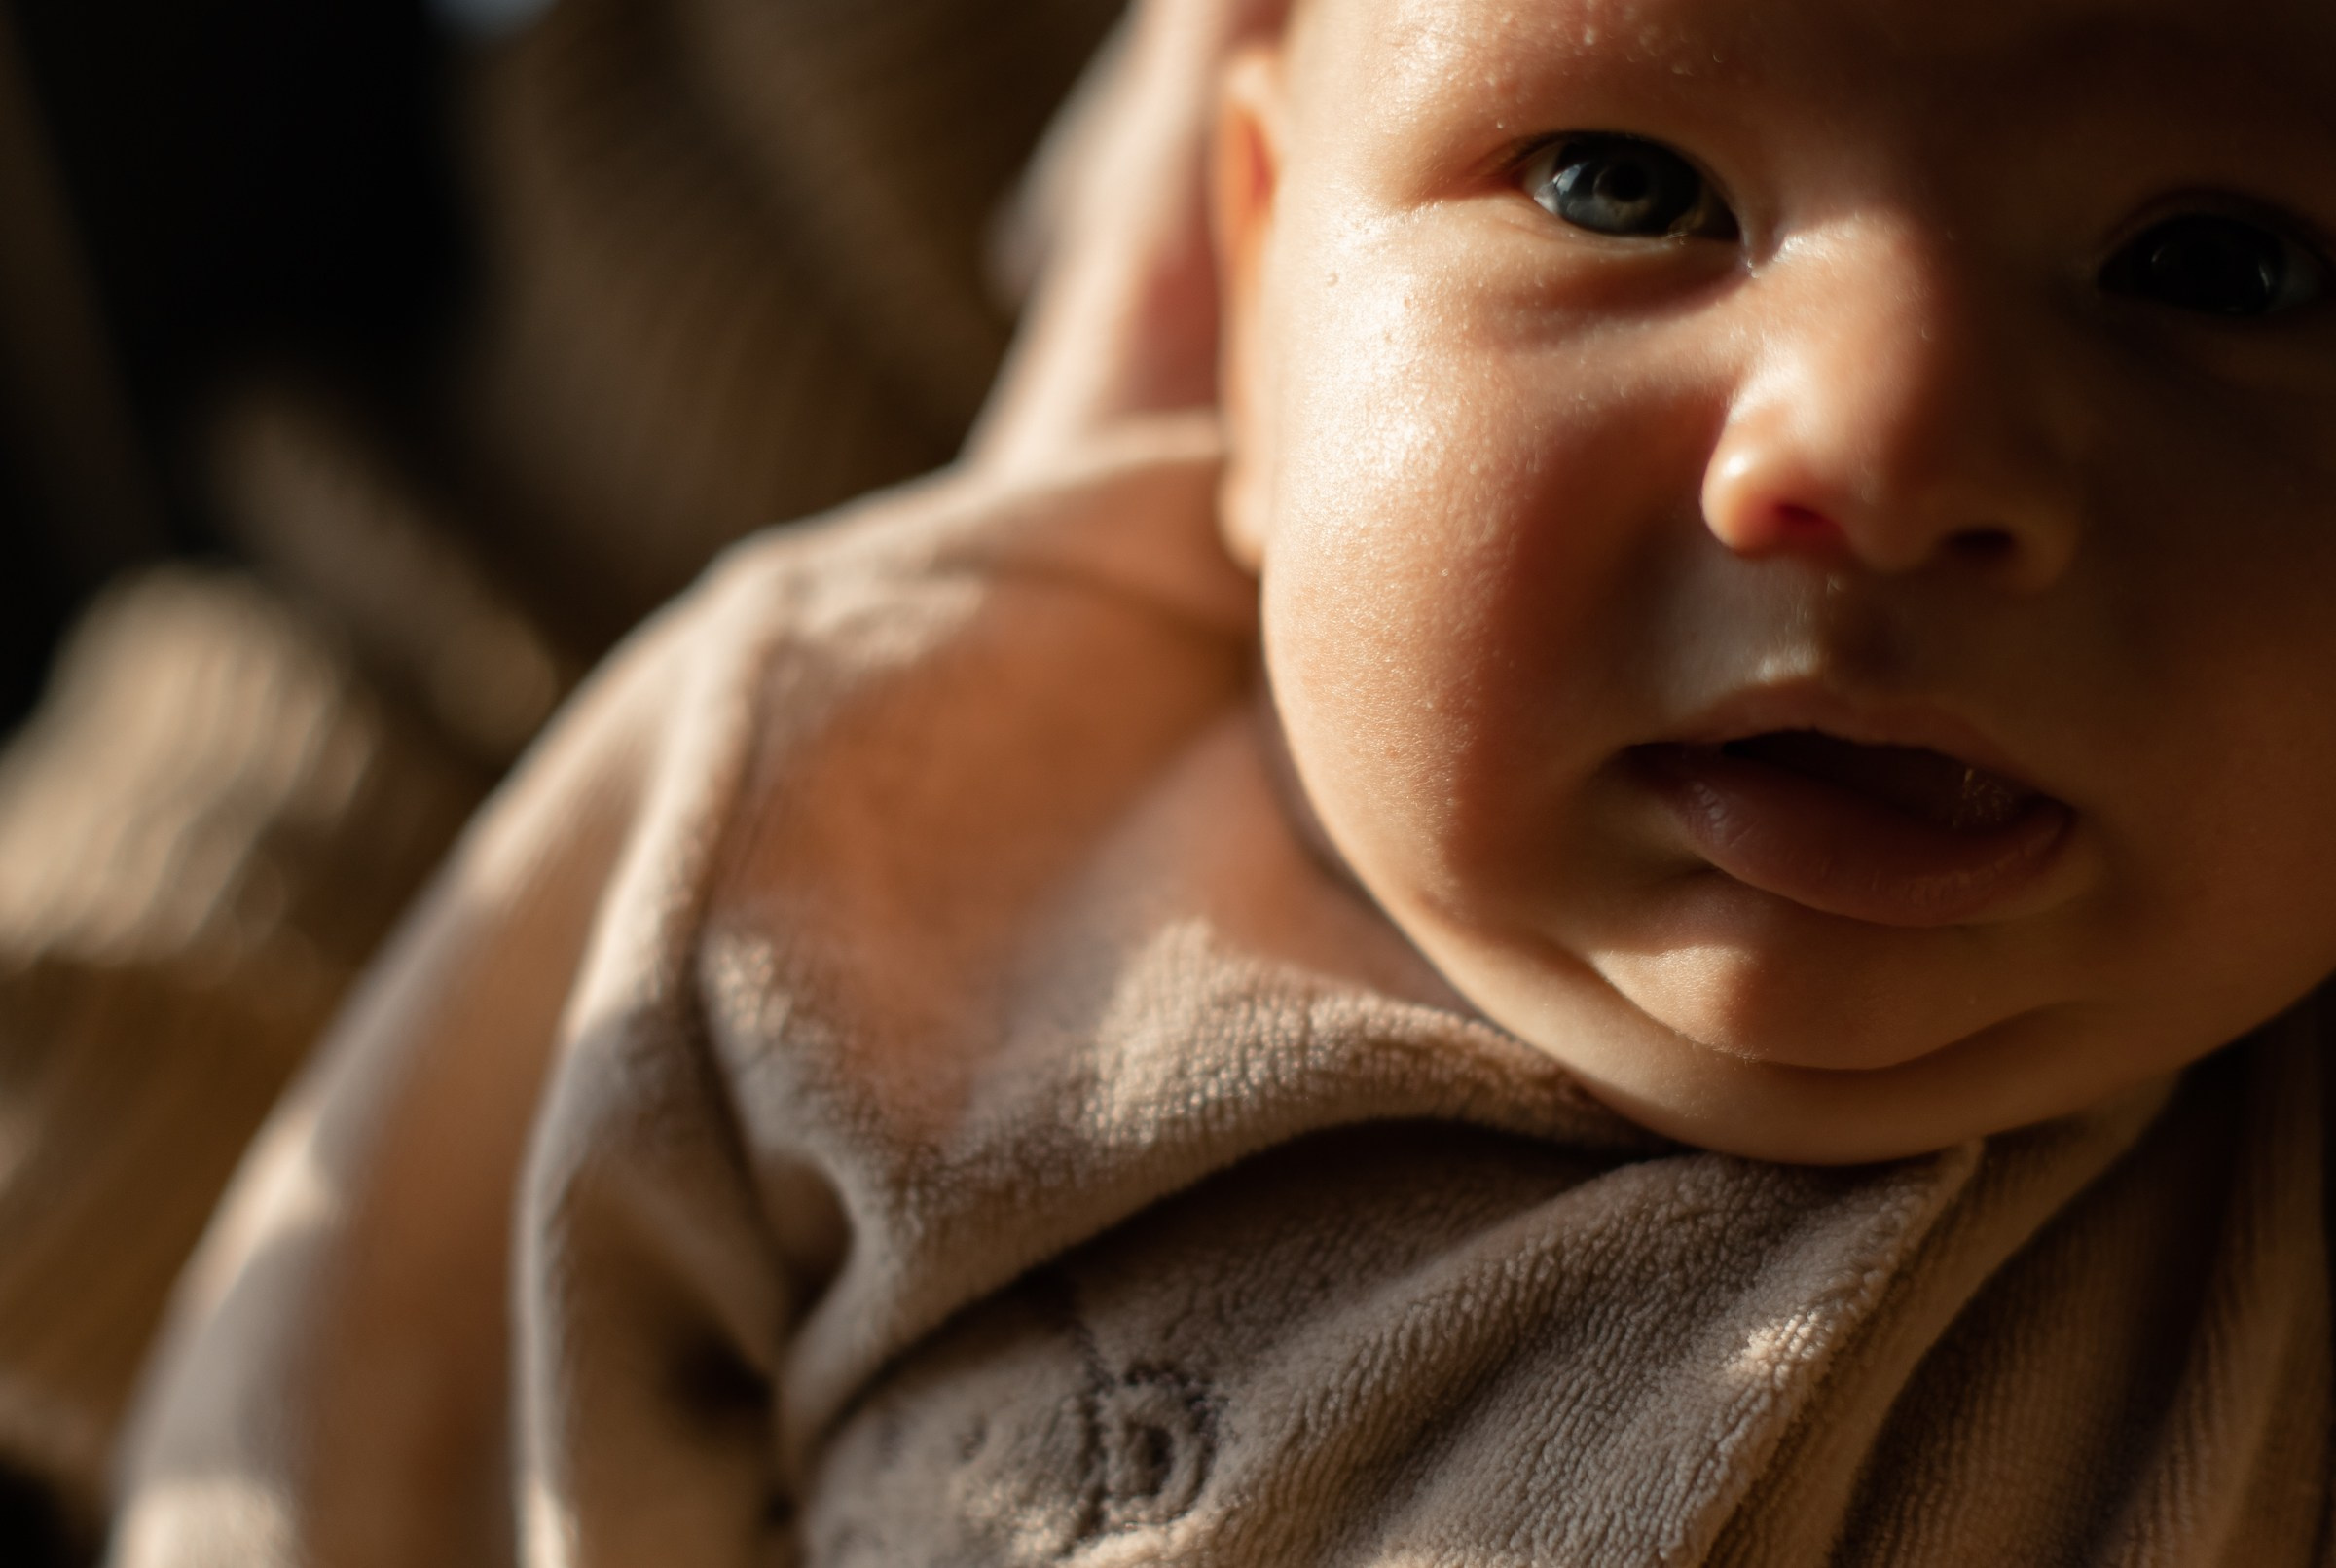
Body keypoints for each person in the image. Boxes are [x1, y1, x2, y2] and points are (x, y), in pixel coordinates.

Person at [109, 0, 2336, 1561]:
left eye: (2223, 265)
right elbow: (351, 1459)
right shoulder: (862, 815)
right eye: (1617, 179)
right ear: (1252, 280)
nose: (1879, 445)